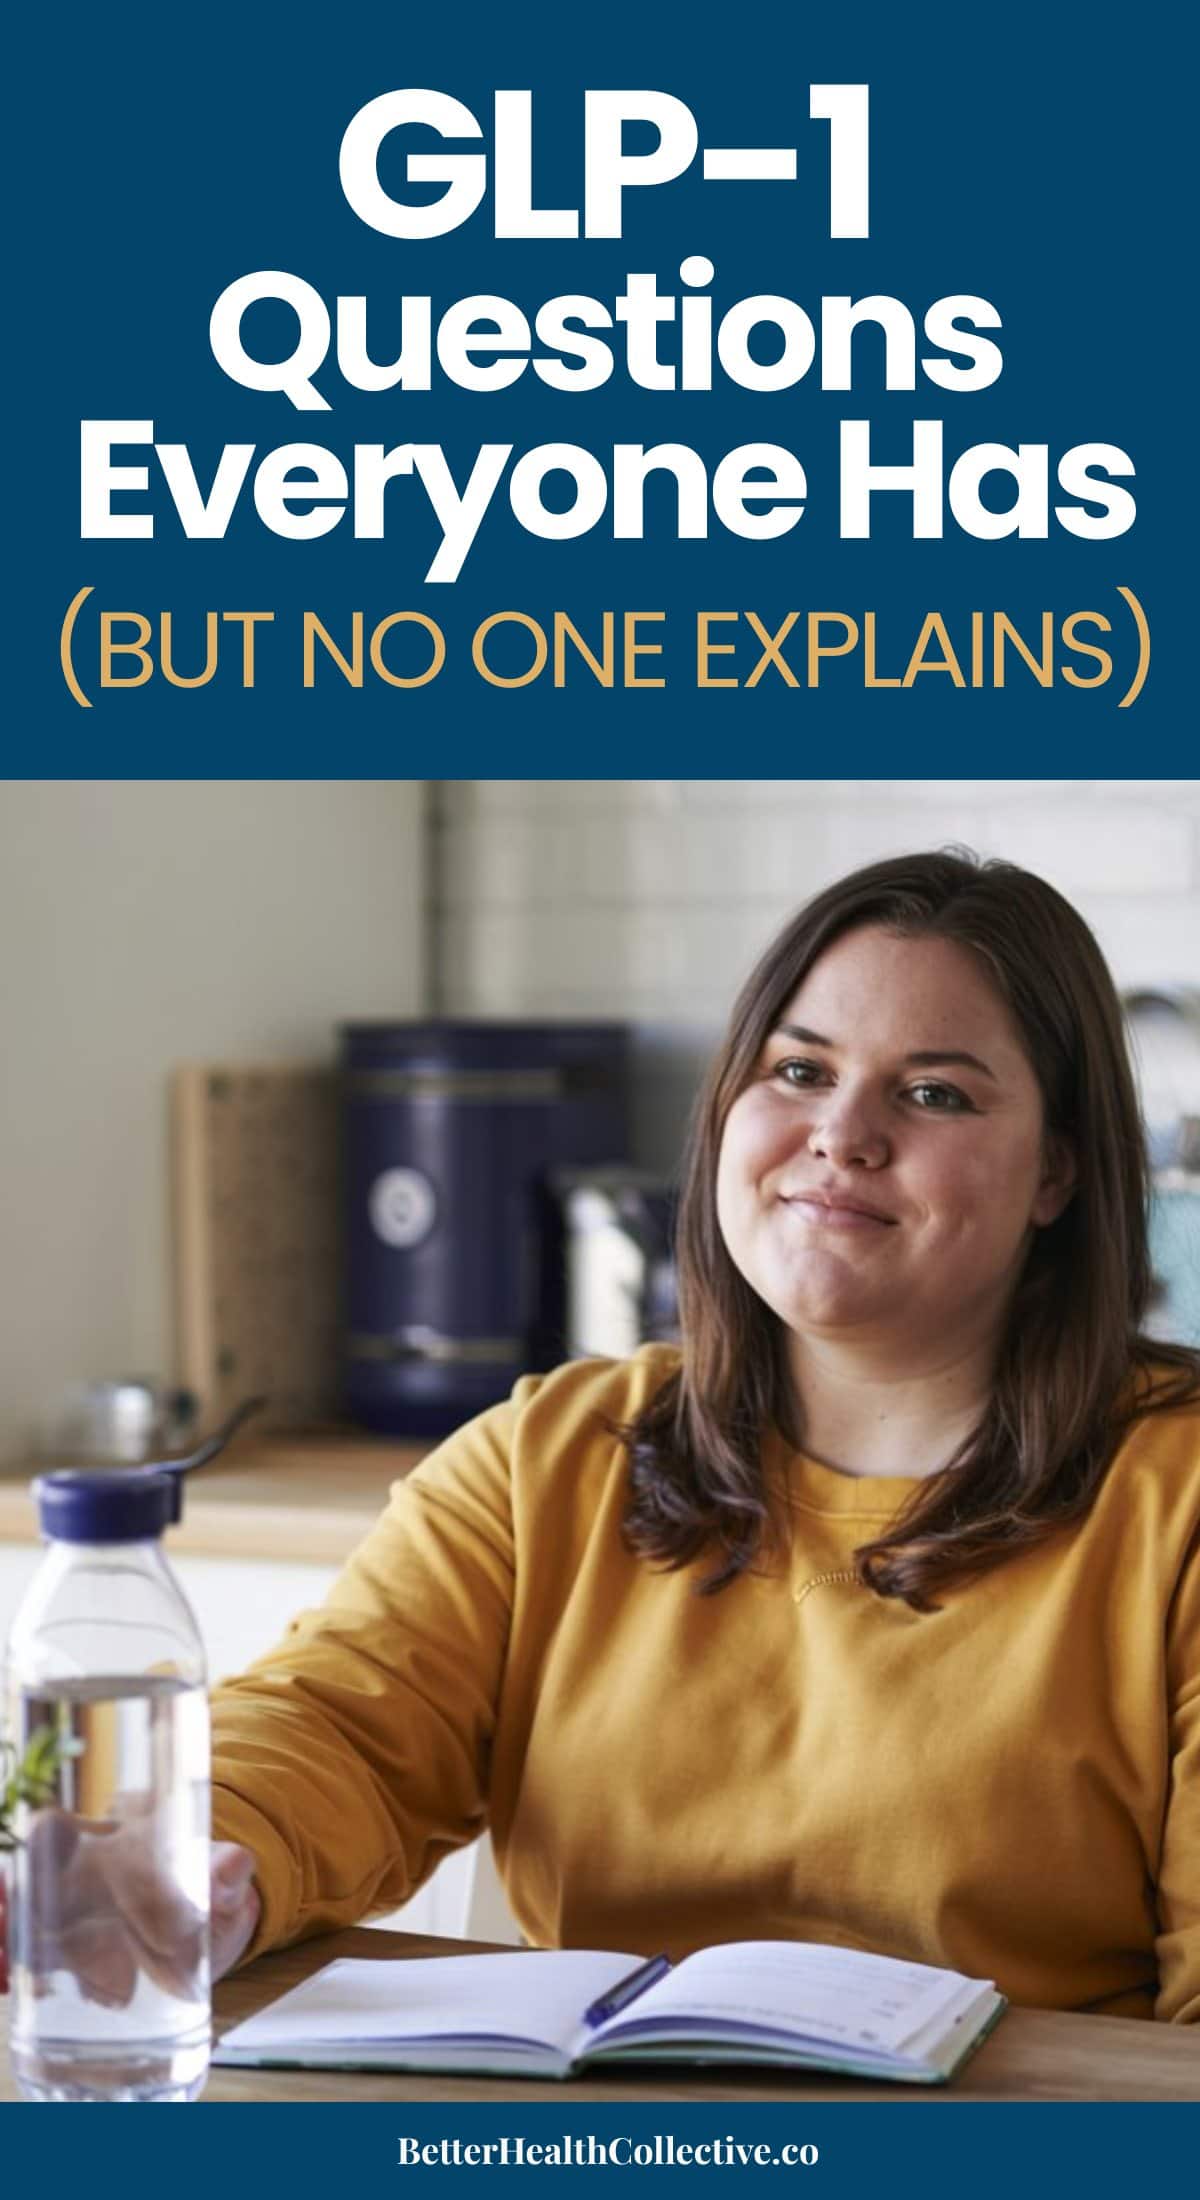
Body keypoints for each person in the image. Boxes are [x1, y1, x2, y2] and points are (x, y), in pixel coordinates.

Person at [5, 850, 1200, 2020]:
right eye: (797, 1070)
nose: (843, 1133)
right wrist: (185, 1854)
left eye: (934, 1092)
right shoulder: (549, 1456)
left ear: (1058, 1171)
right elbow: (335, 1725)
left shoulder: (1177, 1493)